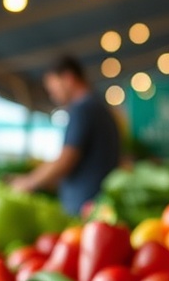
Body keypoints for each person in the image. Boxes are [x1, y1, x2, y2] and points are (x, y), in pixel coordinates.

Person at [10, 55, 121, 216]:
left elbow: (66, 160)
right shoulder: (100, 107)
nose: (51, 94)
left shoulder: (82, 110)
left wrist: (29, 182)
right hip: (99, 204)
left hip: (84, 208)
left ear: (68, 78)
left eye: (52, 87)